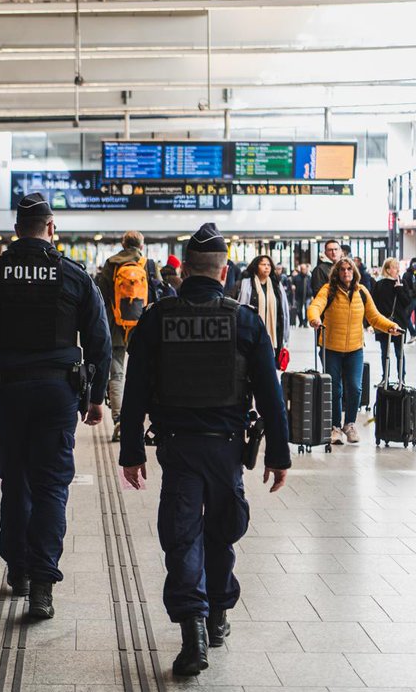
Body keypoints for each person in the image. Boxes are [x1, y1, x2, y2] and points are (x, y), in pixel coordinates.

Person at [118, 222, 291, 678]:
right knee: (221, 530)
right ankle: (215, 616)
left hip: (177, 447)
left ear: (186, 269)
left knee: (182, 536)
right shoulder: (244, 320)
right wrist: (279, 455)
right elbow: (270, 395)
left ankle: (193, 630)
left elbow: (135, 391)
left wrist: (131, 451)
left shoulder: (156, 318)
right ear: (224, 271)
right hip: (227, 448)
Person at [0, 193, 111, 619]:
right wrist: (96, 398)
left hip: (6, 393)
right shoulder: (73, 274)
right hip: (58, 394)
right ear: (51, 228)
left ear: (16, 231)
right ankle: (42, 585)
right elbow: (100, 341)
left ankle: (18, 569)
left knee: (15, 480)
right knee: (51, 485)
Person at [307, 258, 400, 445]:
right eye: (342, 269)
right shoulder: (328, 290)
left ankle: (349, 424)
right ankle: (335, 427)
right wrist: (314, 319)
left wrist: (390, 326)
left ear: (354, 272)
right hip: (330, 348)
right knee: (335, 389)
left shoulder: (362, 291)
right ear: (337, 272)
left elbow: (374, 316)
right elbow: (315, 306)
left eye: (349, 269)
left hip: (355, 348)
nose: (346, 272)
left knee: (355, 388)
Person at [96, 230, 160, 440]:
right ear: (141, 246)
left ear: (123, 245)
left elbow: (100, 296)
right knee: (143, 372)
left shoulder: (111, 264)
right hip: (143, 327)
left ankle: (118, 419)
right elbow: (157, 296)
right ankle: (140, 418)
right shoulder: (149, 265)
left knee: (116, 374)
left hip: (115, 326)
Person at [236, 255, 291, 354]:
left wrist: (285, 336)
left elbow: (284, 310)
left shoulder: (276, 286)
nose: (266, 267)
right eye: (263, 264)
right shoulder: (246, 284)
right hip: (251, 334)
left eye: (269, 265)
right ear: (256, 266)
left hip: (273, 335)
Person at [371, 258, 412, 383]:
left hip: (399, 323)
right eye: (394, 267)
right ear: (388, 270)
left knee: (399, 352)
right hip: (384, 324)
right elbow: (374, 304)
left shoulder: (402, 283)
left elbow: (407, 302)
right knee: (385, 352)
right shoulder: (379, 284)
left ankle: (401, 378)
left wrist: (399, 289)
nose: (397, 269)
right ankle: (385, 378)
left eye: (398, 267)